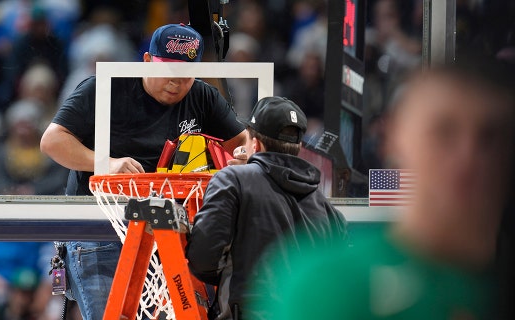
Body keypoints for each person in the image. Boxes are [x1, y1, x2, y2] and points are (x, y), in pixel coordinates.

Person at [248, 60, 515, 319]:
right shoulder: (329, 283)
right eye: (444, 132)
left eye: (490, 137)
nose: (467, 157)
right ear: (394, 139)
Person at [40, 23, 247, 319]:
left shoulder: (202, 97)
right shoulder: (104, 87)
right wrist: (106, 163)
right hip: (100, 230)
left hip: (167, 233)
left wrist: (242, 159)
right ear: (148, 61)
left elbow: (243, 143)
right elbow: (52, 141)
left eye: (186, 76)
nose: (177, 83)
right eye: (169, 73)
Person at [186, 96, 349, 320]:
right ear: (298, 147)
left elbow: (203, 259)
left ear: (255, 144)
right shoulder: (328, 210)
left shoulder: (233, 180)